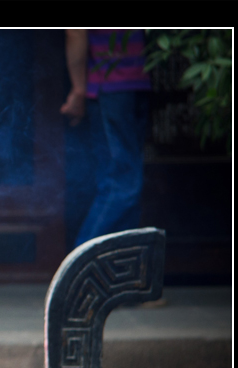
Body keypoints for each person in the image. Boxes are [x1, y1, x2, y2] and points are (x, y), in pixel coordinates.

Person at [61, 29, 151, 248]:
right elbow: (75, 31)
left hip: (138, 83)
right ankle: (78, 269)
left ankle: (118, 273)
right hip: (110, 86)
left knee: (128, 187)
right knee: (122, 184)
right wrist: (79, 89)